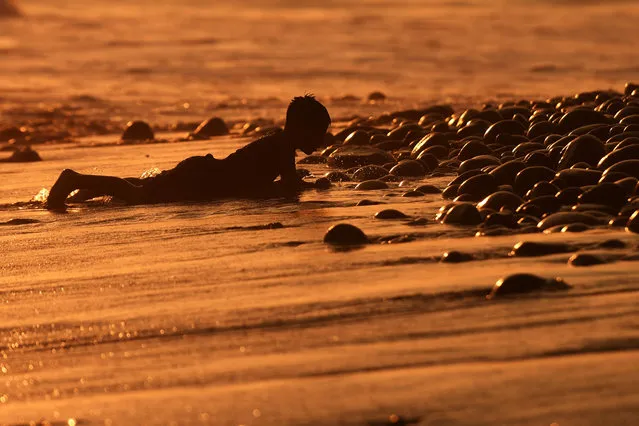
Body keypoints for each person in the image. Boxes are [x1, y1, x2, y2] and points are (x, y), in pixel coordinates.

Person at [45, 95, 331, 209]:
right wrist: (316, 186)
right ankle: (74, 179)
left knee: (141, 188)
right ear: (300, 128)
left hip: (202, 175)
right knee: (138, 195)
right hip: (201, 179)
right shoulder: (283, 147)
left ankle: (83, 191)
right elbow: (289, 187)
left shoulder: (281, 144)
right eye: (318, 133)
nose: (322, 140)